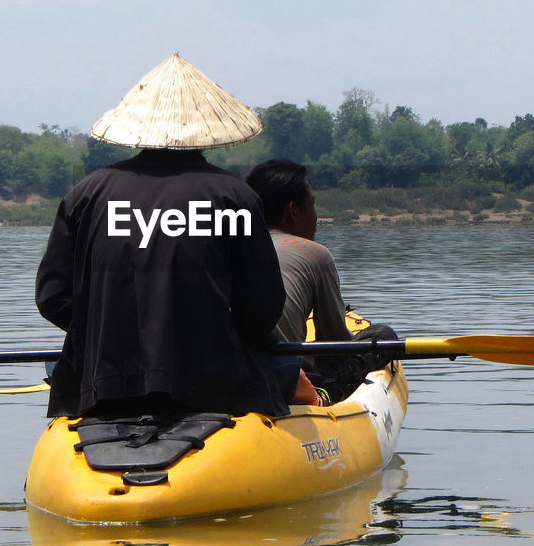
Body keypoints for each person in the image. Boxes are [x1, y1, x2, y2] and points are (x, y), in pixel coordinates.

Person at [36, 53, 319, 418]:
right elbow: (262, 308)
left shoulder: (85, 195)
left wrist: (106, 336)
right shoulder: (234, 197)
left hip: (105, 381)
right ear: (205, 130)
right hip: (212, 386)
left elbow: (52, 297)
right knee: (288, 361)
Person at [245, 158, 399, 404]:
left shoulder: (222, 247)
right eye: (313, 206)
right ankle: (326, 392)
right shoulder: (315, 253)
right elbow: (336, 342)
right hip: (283, 376)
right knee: (383, 334)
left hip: (223, 369)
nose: (316, 217)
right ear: (293, 211)